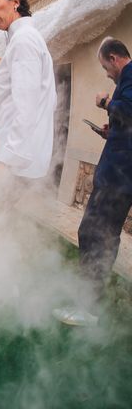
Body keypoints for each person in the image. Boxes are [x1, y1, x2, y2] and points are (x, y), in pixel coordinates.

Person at [0, 0, 57, 203]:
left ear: (15, 2)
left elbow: (27, 108)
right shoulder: (22, 39)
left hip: (11, 162)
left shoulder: (24, 41)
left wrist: (4, 163)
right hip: (15, 157)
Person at [78, 38, 132, 299]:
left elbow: (130, 110)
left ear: (113, 58)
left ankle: (89, 295)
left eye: (105, 67)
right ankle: (90, 291)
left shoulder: (131, 74)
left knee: (95, 233)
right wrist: (112, 132)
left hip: (118, 178)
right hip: (117, 176)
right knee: (99, 233)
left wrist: (106, 102)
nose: (107, 74)